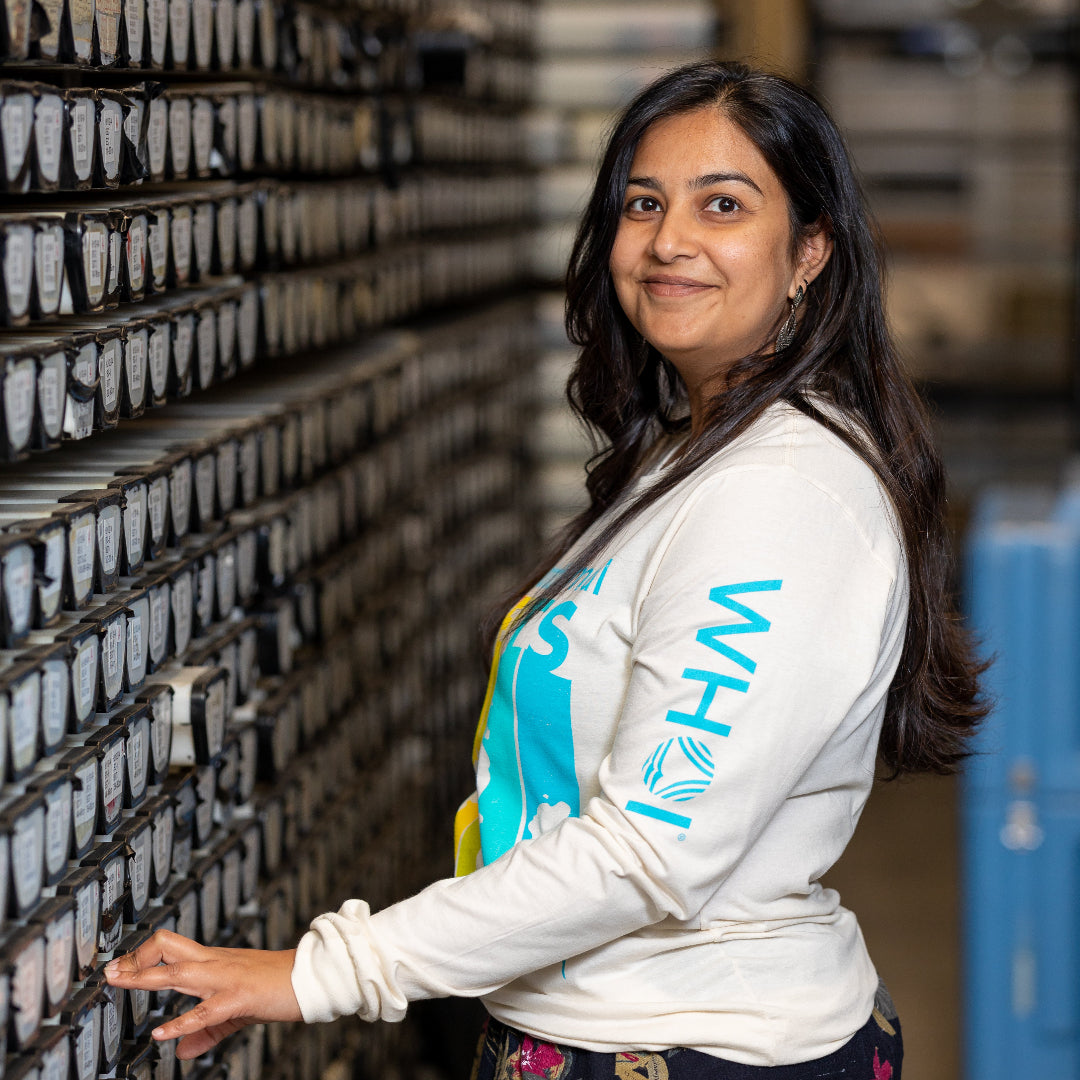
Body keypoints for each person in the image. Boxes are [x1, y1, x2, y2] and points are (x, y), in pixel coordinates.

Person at [105, 60, 985, 1078]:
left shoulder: (780, 498)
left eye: (724, 205)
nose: (669, 242)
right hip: (609, 1025)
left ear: (810, 252)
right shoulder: (694, 453)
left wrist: (326, 971)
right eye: (643, 203)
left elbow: (648, 847)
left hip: (693, 1047)